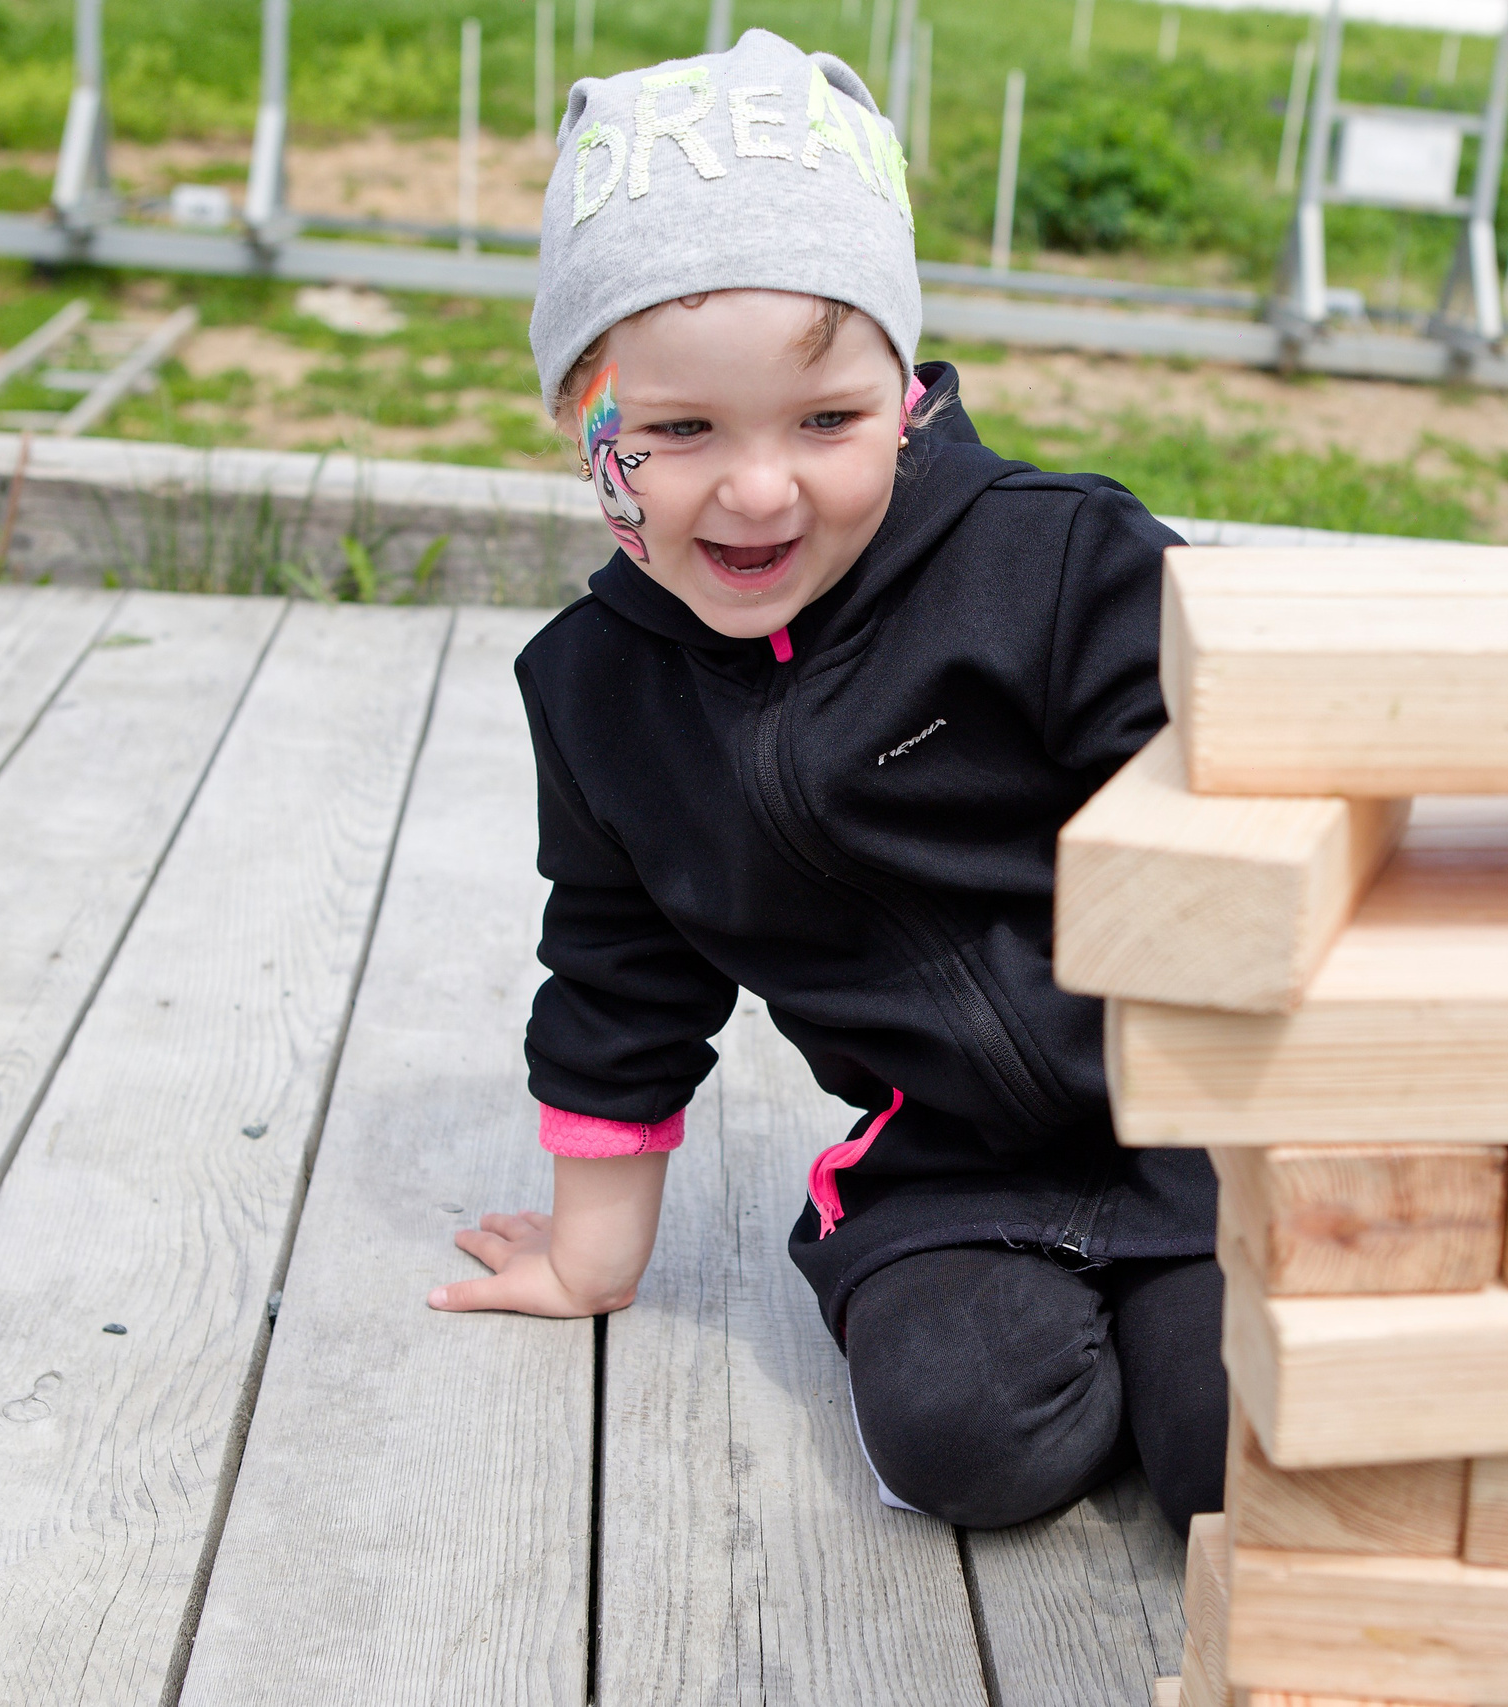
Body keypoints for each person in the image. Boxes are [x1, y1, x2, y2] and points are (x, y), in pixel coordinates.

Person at [425, 29, 1223, 1537]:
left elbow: (1236, 788)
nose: (759, 487)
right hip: (948, 1170)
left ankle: (1182, 1358)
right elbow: (619, 974)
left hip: (1210, 1125)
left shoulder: (1054, 564)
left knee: (1243, 1448)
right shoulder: (599, 695)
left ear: (906, 395)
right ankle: (1073, 1352)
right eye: (676, 432)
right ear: (583, 430)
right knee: (963, 1445)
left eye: (825, 422)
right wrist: (592, 1259)